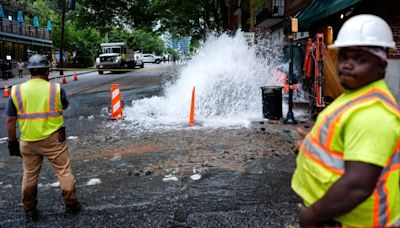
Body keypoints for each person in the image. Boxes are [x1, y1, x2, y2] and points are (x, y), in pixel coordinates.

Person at [291, 14, 400, 227]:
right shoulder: (356, 95)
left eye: (360, 59)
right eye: (344, 57)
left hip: (355, 221)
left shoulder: (374, 115)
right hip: (337, 215)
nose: (348, 65)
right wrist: (312, 147)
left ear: (381, 66)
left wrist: (312, 214)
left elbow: (357, 187)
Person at [5, 54, 81, 223]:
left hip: (28, 141)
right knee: (63, 171)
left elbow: (10, 120)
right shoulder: (56, 89)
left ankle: (29, 210)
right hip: (54, 140)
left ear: (30, 71)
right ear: (47, 70)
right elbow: (65, 105)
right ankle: (71, 204)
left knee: (29, 176)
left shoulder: (16, 90)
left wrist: (12, 142)